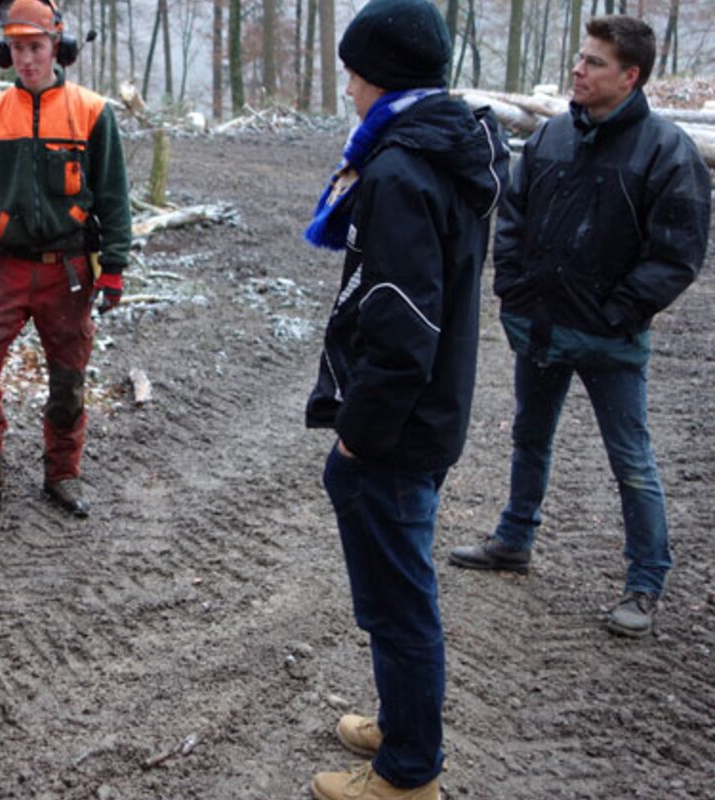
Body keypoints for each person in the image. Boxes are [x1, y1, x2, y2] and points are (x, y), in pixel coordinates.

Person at [302, 1, 508, 797]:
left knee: (398, 604)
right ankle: (401, 722)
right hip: (432, 414)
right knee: (400, 591)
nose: (347, 84)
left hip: (397, 431)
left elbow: (402, 322)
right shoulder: (449, 149)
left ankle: (408, 771)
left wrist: (358, 434)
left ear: (377, 74)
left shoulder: (398, 170)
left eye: (354, 70)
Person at [448, 16, 710, 638]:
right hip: (541, 327)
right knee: (528, 436)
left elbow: (678, 255)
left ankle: (645, 583)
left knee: (633, 462)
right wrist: (513, 287)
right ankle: (514, 540)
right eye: (580, 57)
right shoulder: (552, 138)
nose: (578, 69)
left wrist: (619, 312)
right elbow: (512, 216)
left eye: (594, 62)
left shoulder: (667, 152)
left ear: (631, 76)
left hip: (611, 340)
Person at [0, 0, 132, 518]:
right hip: (10, 266)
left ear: (56, 47)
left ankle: (63, 475)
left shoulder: (91, 112)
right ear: (4, 51)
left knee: (68, 380)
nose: (27, 59)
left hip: (70, 269)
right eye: (17, 48)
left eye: (35, 47)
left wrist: (116, 270)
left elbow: (113, 196)